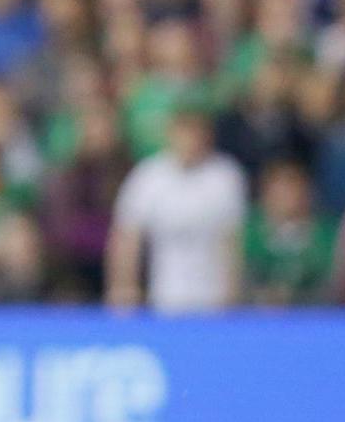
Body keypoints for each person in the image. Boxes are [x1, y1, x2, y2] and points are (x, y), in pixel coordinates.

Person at [106, 105, 248, 313]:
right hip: (164, 294)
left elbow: (232, 240)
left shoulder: (225, 176)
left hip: (214, 297)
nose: (191, 140)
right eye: (184, 132)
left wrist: (232, 293)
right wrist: (123, 288)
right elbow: (128, 238)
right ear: (171, 134)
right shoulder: (148, 177)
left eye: (197, 132)